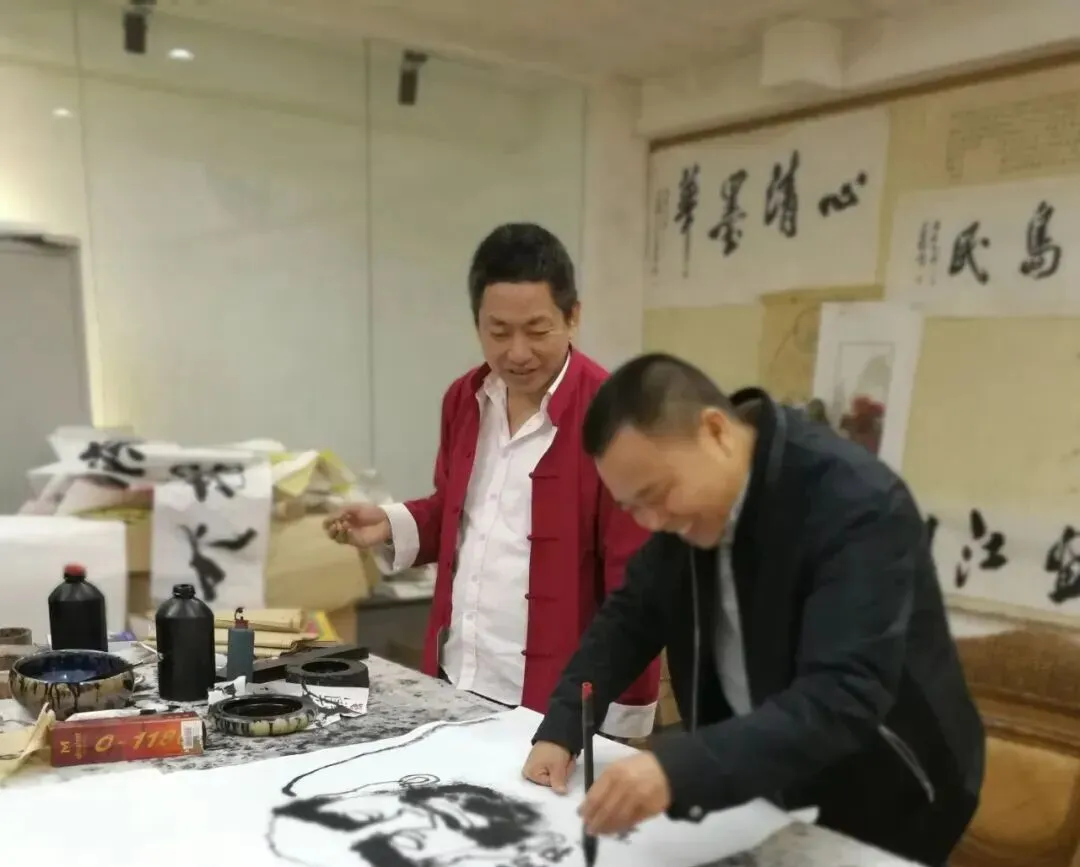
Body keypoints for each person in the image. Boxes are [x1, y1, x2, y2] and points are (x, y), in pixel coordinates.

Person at [521, 353, 985, 867]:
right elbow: (627, 621)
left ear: (716, 432)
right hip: (762, 776)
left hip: (885, 788)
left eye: (657, 494)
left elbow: (843, 694)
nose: (651, 522)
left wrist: (680, 768)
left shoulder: (856, 504)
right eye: (632, 507)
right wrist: (562, 726)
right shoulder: (685, 513)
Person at [325, 223, 659, 739]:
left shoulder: (614, 415)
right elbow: (463, 513)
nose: (517, 353)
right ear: (477, 323)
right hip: (461, 676)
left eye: (537, 330)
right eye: (499, 333)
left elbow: (637, 584)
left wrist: (615, 721)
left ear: (573, 316)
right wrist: (391, 524)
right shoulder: (465, 400)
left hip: (561, 703)